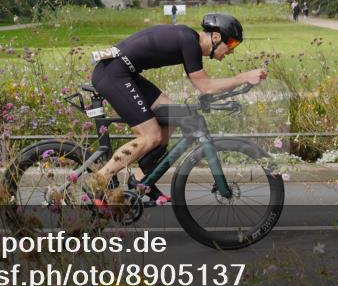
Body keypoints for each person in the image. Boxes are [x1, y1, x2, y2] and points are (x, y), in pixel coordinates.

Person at [84, 13, 267, 203]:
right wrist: (243, 77)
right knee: (151, 136)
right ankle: (99, 180)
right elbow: (206, 86)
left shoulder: (189, 40)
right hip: (113, 73)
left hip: (124, 72)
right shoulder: (189, 42)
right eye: (232, 44)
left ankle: (140, 180)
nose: (232, 51)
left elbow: (205, 87)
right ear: (216, 37)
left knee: (174, 115)